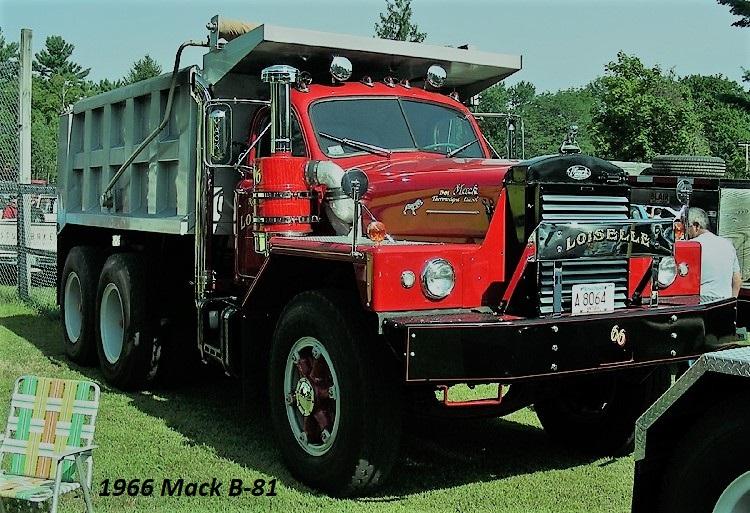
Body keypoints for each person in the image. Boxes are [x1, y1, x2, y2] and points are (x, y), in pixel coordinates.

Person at [686, 207, 742, 299]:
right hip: (724, 303)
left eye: (686, 227)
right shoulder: (728, 244)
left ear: (696, 226)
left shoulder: (689, 246)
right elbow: (737, 280)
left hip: (700, 303)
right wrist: (732, 302)